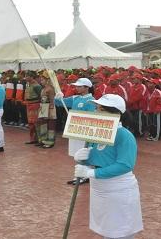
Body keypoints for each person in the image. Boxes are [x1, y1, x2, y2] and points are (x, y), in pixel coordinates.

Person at [72, 94, 143, 239]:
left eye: (101, 110)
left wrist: (91, 173)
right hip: (100, 188)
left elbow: (124, 165)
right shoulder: (98, 132)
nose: (96, 113)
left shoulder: (124, 135)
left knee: (120, 231)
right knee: (107, 230)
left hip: (118, 189)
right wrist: (83, 158)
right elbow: (99, 157)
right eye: (96, 109)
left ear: (115, 114)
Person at [55, 77, 97, 185]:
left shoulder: (91, 101)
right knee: (76, 153)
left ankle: (84, 175)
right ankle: (80, 175)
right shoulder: (75, 98)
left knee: (83, 153)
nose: (77, 88)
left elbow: (91, 117)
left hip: (83, 131)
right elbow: (59, 103)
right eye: (76, 86)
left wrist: (77, 119)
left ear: (87, 87)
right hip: (74, 130)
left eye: (79, 86)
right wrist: (58, 96)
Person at [36, 72, 57, 148]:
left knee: (50, 125)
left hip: (49, 108)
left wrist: (50, 110)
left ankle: (50, 142)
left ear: (47, 80)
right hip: (43, 107)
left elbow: (52, 101)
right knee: (43, 124)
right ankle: (43, 140)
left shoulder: (50, 89)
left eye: (42, 80)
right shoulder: (44, 88)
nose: (41, 81)